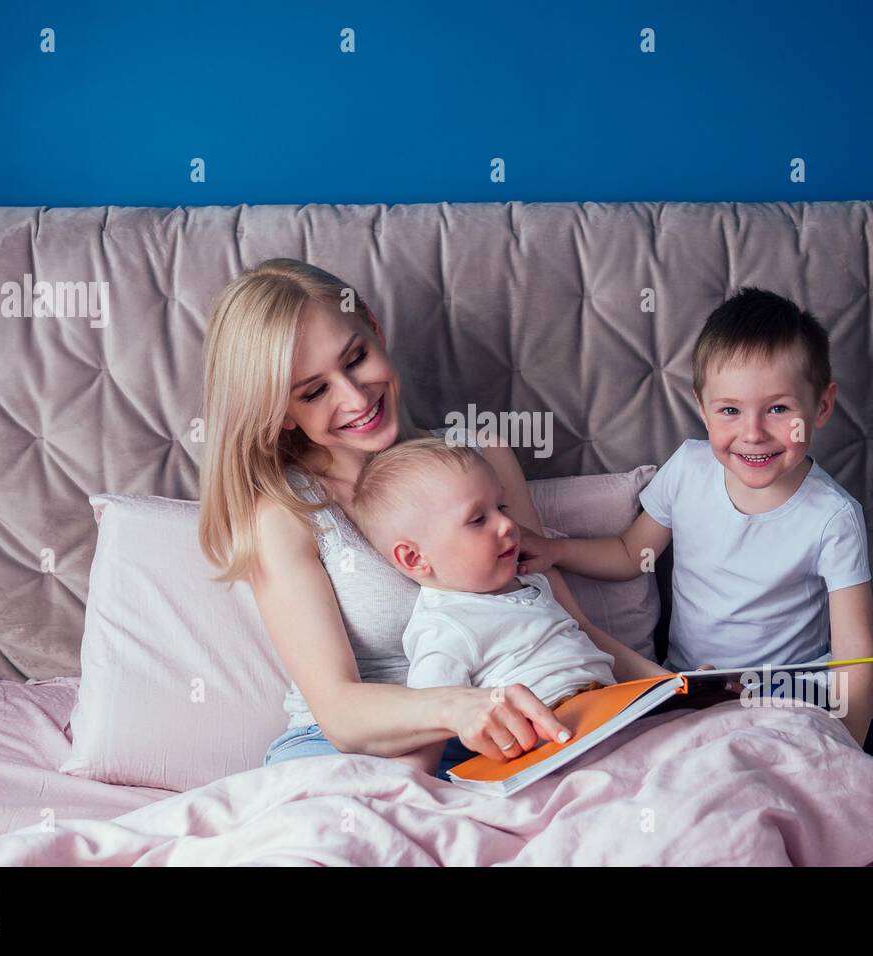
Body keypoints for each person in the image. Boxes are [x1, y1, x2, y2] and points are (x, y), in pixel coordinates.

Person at [197, 259, 670, 782]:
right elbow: (338, 713)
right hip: (346, 753)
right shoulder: (287, 512)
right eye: (313, 392)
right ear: (281, 411)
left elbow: (568, 626)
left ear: (375, 331)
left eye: (356, 359)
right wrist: (458, 708)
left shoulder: (480, 454)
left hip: (509, 735)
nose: (355, 398)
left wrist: (679, 690)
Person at [516, 288, 873, 757]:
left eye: (779, 409)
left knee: (779, 759)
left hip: (788, 695)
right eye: (730, 410)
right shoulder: (688, 469)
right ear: (703, 408)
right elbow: (631, 554)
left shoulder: (833, 516)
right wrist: (556, 550)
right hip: (694, 690)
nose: (753, 433)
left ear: (822, 407)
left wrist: (848, 744)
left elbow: (855, 657)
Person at [346, 436, 619, 775]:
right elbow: (430, 725)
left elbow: (589, 645)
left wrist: (677, 684)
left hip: (613, 710)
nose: (507, 524)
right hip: (550, 745)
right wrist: (415, 785)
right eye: (478, 519)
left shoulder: (531, 581)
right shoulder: (444, 626)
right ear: (415, 558)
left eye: (501, 508)